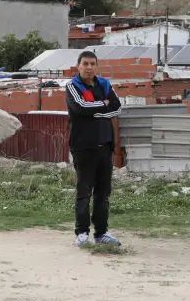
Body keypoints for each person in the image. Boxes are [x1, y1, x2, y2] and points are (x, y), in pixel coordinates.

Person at [66, 50, 122, 247]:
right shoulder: (73, 86)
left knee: (103, 193)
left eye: (92, 64)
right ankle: (81, 233)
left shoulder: (104, 85)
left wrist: (97, 110)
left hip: (105, 145)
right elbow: (80, 107)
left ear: (96, 66)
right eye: (85, 64)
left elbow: (117, 106)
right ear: (78, 66)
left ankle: (101, 233)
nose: (89, 67)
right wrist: (103, 106)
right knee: (84, 191)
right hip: (83, 146)